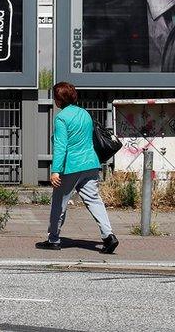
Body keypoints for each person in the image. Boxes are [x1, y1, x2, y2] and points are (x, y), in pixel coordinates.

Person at [36, 81, 118, 254]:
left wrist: (55, 170)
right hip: (91, 164)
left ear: (58, 100)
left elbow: (61, 146)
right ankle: (109, 236)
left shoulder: (61, 118)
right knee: (94, 200)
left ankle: (53, 239)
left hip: (71, 167)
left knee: (59, 203)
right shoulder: (85, 114)